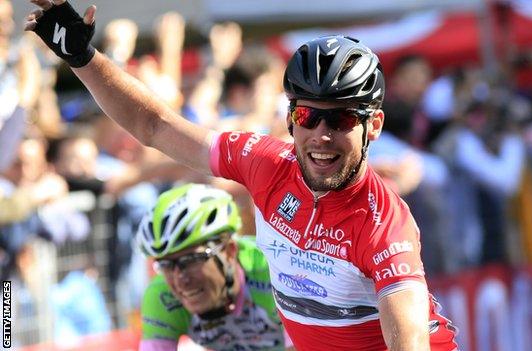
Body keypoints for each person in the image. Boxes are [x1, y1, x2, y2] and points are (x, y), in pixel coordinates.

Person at [25, 2, 458, 350]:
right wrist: (81, 57)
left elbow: (410, 341)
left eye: (342, 120)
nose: (322, 135)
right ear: (290, 118)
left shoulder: (384, 224)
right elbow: (154, 126)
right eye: (308, 116)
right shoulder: (264, 162)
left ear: (374, 126)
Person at [137, 183, 291, 350]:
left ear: (229, 251)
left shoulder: (273, 271)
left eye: (191, 260)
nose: (181, 279)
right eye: (166, 265)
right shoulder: (162, 296)